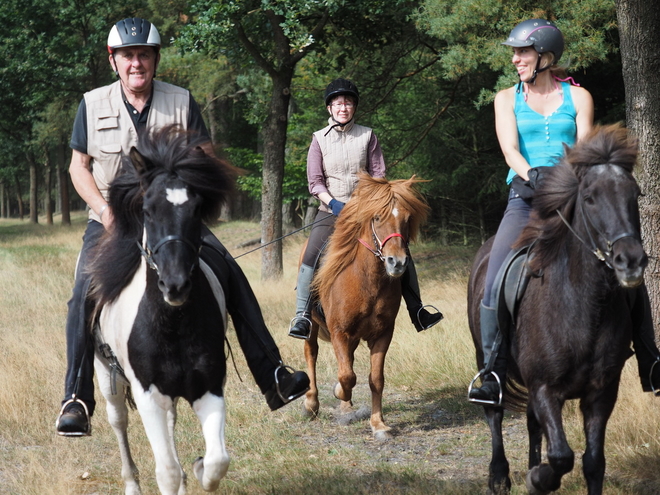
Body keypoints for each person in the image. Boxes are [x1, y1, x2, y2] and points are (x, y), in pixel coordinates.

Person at [56, 17, 309, 436]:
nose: (136, 63)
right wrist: (103, 210)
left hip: (172, 217)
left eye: (144, 55)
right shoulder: (92, 102)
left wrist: (191, 205)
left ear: (155, 59)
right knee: (83, 290)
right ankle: (76, 398)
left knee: (227, 269)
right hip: (113, 219)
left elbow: (205, 160)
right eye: (127, 56)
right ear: (113, 61)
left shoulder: (181, 100)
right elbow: (78, 167)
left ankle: (274, 375)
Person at [468, 18, 660, 404]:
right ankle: (491, 370)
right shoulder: (506, 98)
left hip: (574, 201)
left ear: (545, 56)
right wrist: (532, 174)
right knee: (495, 275)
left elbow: (586, 150)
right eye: (515, 52)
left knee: (623, 264)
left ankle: (650, 360)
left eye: (522, 52)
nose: (515, 59)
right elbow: (510, 150)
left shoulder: (579, 97)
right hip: (526, 199)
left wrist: (575, 182)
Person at [287, 78, 444, 340]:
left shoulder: (367, 135)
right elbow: (315, 182)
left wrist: (363, 204)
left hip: (367, 211)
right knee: (311, 254)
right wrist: (334, 203)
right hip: (330, 210)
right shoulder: (318, 140)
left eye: (348, 103)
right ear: (329, 108)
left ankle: (417, 310)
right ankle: (302, 315)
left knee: (401, 249)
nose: (343, 107)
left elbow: (379, 175)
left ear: (354, 107)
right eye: (338, 103)